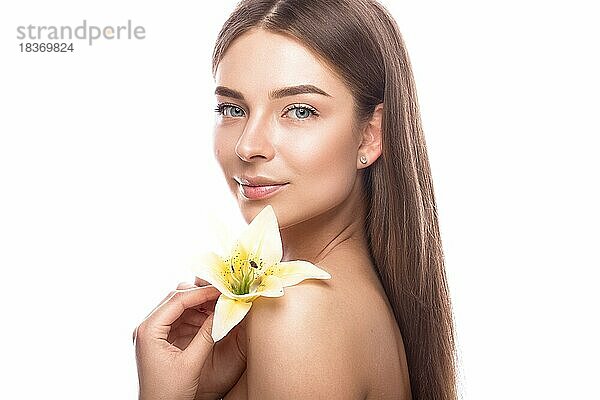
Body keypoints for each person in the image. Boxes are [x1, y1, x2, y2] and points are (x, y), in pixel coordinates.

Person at [134, 0, 458, 399]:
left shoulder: (300, 311)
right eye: (232, 108)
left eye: (299, 111)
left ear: (371, 135)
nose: (249, 145)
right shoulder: (348, 302)